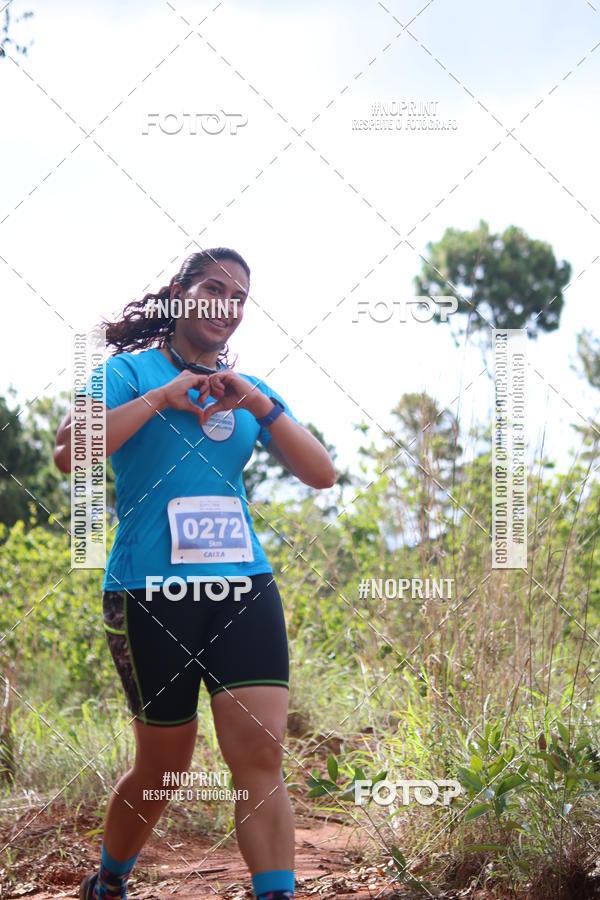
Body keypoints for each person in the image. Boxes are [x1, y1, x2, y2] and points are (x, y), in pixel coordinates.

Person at [53, 248, 336, 900]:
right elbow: (73, 453)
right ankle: (109, 879)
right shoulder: (128, 373)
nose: (226, 305)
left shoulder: (246, 391)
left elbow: (322, 473)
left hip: (241, 587)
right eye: (214, 288)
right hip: (149, 592)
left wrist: (261, 405)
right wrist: (161, 399)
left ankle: (276, 892)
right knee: (163, 768)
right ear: (180, 293)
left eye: (239, 297)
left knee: (261, 753)